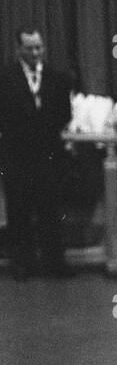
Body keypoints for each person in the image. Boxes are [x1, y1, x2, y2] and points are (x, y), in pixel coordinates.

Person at [0, 26, 72, 279]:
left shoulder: (58, 78)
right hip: (17, 157)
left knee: (50, 211)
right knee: (19, 212)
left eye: (39, 47)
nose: (35, 52)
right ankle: (22, 264)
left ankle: (55, 263)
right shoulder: (5, 78)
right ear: (18, 49)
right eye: (29, 48)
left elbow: (65, 114)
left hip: (48, 156)